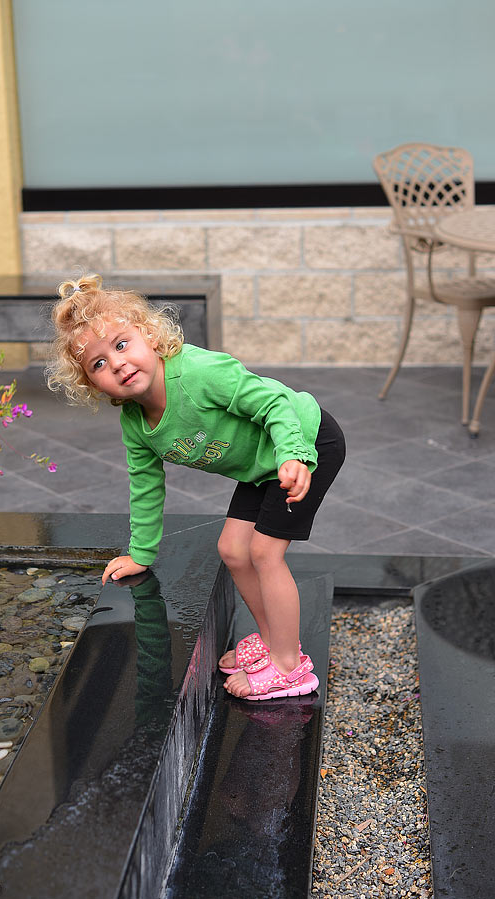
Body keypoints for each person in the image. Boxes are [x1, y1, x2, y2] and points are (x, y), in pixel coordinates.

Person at [46, 274, 345, 702]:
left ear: (150, 336)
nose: (116, 363)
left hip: (305, 439)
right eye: (97, 363)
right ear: (91, 385)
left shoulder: (199, 372)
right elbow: (145, 487)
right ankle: (276, 639)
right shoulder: (135, 424)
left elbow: (273, 402)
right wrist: (141, 554)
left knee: (264, 552)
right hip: (263, 465)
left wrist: (292, 454)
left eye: (122, 344)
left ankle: (289, 668)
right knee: (232, 550)